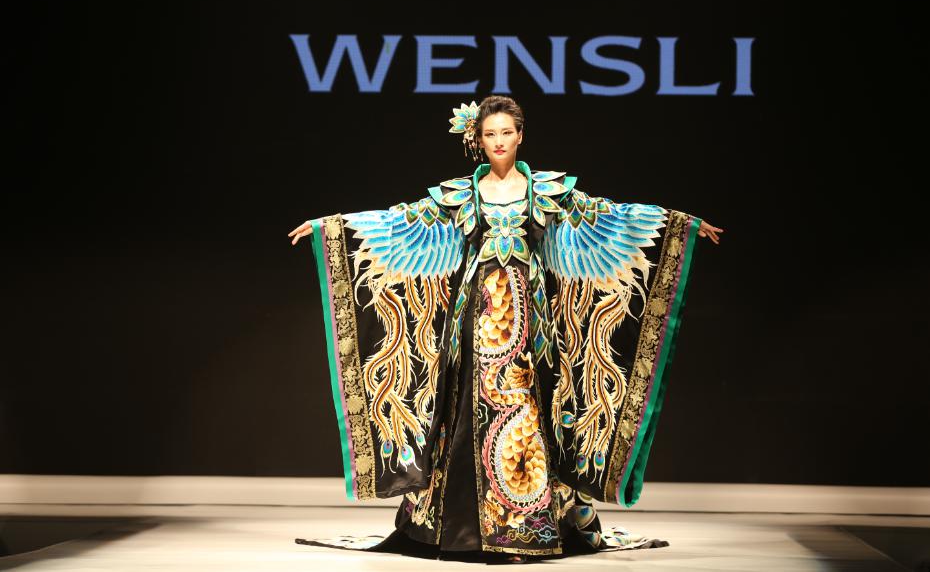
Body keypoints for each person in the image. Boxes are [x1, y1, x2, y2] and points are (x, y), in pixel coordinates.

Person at [288, 96, 723, 563]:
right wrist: (331, 228)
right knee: (465, 409)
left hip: (530, 319)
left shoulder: (547, 193)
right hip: (473, 317)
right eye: (489, 134)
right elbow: (398, 221)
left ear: (520, 136)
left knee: (525, 406)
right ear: (478, 139)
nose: (498, 142)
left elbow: (610, 217)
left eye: (506, 133)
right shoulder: (459, 196)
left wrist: (678, 225)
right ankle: (464, 529)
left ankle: (524, 527)